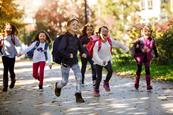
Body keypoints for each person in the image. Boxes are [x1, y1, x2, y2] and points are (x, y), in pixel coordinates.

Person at [54, 17, 87, 103]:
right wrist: (68, 55)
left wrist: (83, 53)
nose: (75, 26)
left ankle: (78, 94)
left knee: (79, 77)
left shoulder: (77, 38)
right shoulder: (65, 37)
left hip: (75, 62)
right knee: (65, 81)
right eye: (73, 24)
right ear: (68, 26)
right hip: (65, 62)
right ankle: (58, 86)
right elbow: (60, 49)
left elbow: (80, 48)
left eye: (77, 25)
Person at [92, 26, 129, 97]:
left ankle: (106, 82)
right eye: (103, 31)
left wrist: (126, 48)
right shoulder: (97, 43)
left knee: (110, 70)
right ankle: (96, 90)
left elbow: (118, 44)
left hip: (107, 60)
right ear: (99, 33)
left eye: (106, 31)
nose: (105, 32)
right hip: (98, 61)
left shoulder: (109, 41)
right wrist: (100, 61)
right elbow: (95, 54)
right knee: (99, 77)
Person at [133, 25, 158, 90]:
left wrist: (156, 55)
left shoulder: (152, 40)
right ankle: (136, 82)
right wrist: (140, 49)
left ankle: (148, 85)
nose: (148, 33)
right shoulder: (140, 40)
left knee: (147, 70)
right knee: (139, 69)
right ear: (143, 32)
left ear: (151, 32)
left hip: (147, 57)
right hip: (140, 57)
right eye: (146, 31)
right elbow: (135, 48)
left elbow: (154, 48)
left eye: (149, 31)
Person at [0, 23, 22, 92]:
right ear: (4, 29)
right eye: (7, 28)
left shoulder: (13, 37)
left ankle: (13, 80)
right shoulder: (1, 36)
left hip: (12, 55)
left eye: (10, 28)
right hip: (4, 55)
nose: (9, 29)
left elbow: (19, 45)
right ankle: (5, 86)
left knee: (11, 70)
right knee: (5, 70)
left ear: (12, 30)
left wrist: (19, 52)